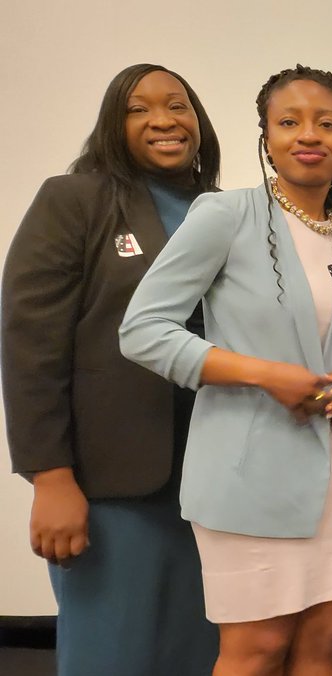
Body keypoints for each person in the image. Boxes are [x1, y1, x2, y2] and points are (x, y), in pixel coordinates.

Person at [119, 64, 332, 676]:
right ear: (266, 137)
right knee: (255, 650)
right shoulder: (224, 215)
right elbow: (142, 332)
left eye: (326, 123)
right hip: (247, 471)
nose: (308, 135)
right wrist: (266, 374)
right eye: (288, 122)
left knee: (326, 643)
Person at [1, 63, 220, 676]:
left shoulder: (223, 208)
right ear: (111, 123)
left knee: (197, 651)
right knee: (113, 655)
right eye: (139, 108)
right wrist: (50, 476)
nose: (164, 120)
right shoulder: (75, 198)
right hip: (113, 485)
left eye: (178, 105)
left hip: (210, 479)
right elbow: (30, 344)